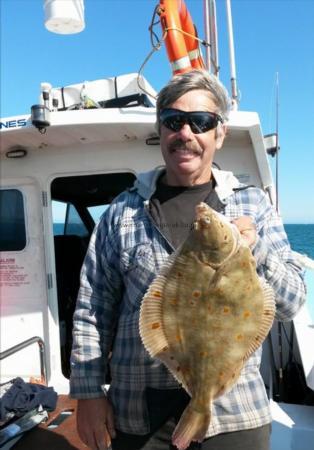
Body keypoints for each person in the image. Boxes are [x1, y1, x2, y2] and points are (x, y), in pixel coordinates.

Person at [69, 69, 306, 450]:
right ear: (160, 130)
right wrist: (88, 392)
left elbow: (292, 301)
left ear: (219, 133)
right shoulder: (122, 211)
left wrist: (256, 250)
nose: (186, 133)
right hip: (140, 414)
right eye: (173, 120)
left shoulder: (253, 204)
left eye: (201, 122)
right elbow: (92, 308)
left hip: (236, 415)